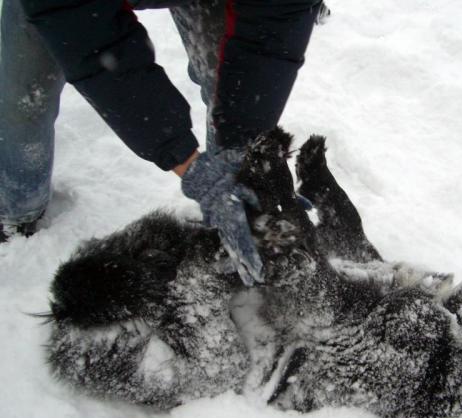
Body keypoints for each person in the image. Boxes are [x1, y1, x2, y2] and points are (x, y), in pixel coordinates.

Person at [0, 0, 327, 285]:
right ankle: (17, 208)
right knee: (22, 102)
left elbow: (268, 42)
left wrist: (241, 154)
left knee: (231, 91)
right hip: (67, 5)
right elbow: (93, 44)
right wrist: (186, 161)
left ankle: (232, 225)